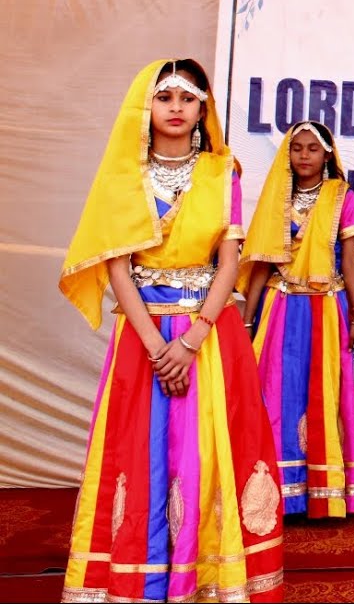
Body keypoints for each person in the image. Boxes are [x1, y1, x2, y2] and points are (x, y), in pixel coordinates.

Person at [58, 59, 283, 602]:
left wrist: (191, 339)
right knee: (145, 448)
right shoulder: (125, 174)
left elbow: (229, 261)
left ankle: (209, 577)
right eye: (166, 98)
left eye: (188, 98)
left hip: (209, 335)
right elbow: (117, 266)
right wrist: (159, 346)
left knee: (208, 451)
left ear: (203, 108)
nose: (177, 109)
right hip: (142, 335)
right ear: (148, 107)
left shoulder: (221, 170)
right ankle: (141, 577)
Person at [239, 119, 354, 519]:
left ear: (327, 155)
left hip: (325, 308)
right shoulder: (276, 198)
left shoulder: (339, 196)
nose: (303, 155)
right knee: (274, 393)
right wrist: (247, 322)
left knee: (325, 392)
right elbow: (263, 261)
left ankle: (325, 491)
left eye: (312, 149)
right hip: (280, 308)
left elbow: (350, 258)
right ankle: (276, 492)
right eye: (297, 148)